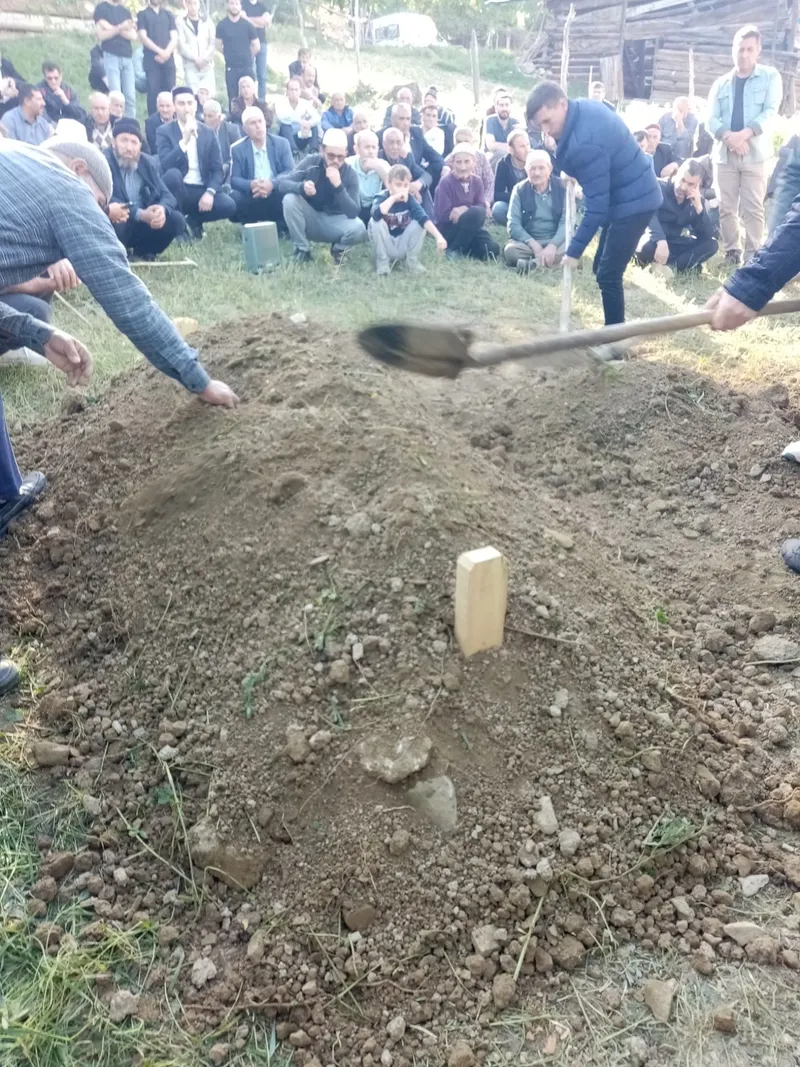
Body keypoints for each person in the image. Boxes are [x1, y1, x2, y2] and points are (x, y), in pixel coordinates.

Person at [0, 142, 238, 536]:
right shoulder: (67, 188)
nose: (98, 214)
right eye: (100, 203)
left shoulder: (17, 159)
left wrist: (38, 334)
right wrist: (198, 379)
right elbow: (127, 299)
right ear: (80, 169)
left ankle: (6, 491)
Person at [526, 81, 662, 329]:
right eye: (539, 125)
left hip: (635, 202)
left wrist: (573, 251)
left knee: (609, 274)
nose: (545, 131)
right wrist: (569, 170)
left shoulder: (585, 143)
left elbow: (597, 208)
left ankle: (614, 340)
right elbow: (595, 161)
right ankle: (612, 330)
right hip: (622, 193)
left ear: (562, 104)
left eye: (547, 121)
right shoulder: (582, 108)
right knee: (600, 267)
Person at [707, 24, 782, 264]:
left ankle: (753, 255)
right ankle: (732, 252)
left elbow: (770, 111)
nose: (744, 54)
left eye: (750, 49)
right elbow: (710, 118)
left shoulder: (770, 77)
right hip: (725, 154)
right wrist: (729, 137)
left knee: (753, 207)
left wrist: (745, 134)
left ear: (758, 50)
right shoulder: (720, 83)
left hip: (755, 154)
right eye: (740, 49)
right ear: (733, 50)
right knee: (726, 206)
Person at [157, 85, 237, 239]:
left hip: (201, 188)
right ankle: (179, 228)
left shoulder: (208, 133)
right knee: (173, 175)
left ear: (195, 105)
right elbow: (166, 164)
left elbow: (217, 169)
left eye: (189, 103)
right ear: (174, 107)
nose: (186, 108)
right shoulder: (164, 131)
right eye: (181, 104)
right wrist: (184, 141)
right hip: (178, 188)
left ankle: (193, 220)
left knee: (229, 205)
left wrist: (210, 192)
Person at [278, 127, 367, 263]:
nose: (335, 160)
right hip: (311, 218)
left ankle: (338, 249)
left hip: (337, 222)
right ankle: (302, 249)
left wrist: (339, 187)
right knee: (290, 199)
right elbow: (283, 184)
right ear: (322, 151)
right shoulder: (311, 162)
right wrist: (302, 187)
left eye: (340, 157)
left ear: (346, 154)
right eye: (331, 155)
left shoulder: (350, 174)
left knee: (359, 228)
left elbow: (354, 211)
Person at [105, 117, 186, 258]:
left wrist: (161, 209)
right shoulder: (104, 162)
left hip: (140, 223)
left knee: (176, 220)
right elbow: (108, 199)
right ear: (113, 142)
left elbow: (167, 195)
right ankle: (117, 252)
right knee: (118, 218)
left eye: (134, 142)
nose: (129, 148)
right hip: (116, 222)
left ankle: (144, 251)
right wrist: (141, 214)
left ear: (140, 146)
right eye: (124, 140)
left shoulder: (146, 162)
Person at [635, 158, 718, 276]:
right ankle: (684, 266)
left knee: (712, 244)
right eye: (682, 180)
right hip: (652, 239)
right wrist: (660, 240)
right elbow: (649, 217)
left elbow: (706, 236)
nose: (683, 187)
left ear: (698, 184)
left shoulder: (695, 200)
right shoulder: (657, 186)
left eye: (691, 184)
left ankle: (670, 267)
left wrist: (699, 209)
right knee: (646, 247)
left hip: (674, 242)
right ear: (677, 173)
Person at [369, 163, 447, 275]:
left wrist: (438, 237)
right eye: (398, 185)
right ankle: (383, 263)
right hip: (385, 244)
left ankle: (411, 262)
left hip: (402, 244)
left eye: (405, 186)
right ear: (389, 184)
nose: (402, 189)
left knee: (419, 224)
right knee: (375, 223)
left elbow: (424, 218)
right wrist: (393, 198)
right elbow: (376, 215)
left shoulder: (409, 199)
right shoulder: (381, 197)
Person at [503, 149, 566, 272]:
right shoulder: (519, 190)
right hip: (529, 243)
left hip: (556, 241)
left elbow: (566, 222)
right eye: (532, 168)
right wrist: (534, 245)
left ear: (550, 168)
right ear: (526, 170)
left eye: (541, 168)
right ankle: (552, 262)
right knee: (510, 251)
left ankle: (532, 265)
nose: (536, 173)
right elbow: (513, 224)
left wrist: (552, 245)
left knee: (572, 248)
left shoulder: (563, 187)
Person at [433, 144, 499, 261]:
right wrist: (469, 212)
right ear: (453, 163)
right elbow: (443, 215)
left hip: (473, 227)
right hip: (451, 228)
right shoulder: (445, 183)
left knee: (492, 249)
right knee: (476, 212)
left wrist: (465, 209)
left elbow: (481, 206)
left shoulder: (477, 181)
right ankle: (455, 249)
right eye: (458, 162)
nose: (463, 167)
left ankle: (463, 247)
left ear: (474, 163)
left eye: (467, 162)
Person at [230, 105, 292, 224]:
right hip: (253, 193)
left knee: (289, 194)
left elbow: (290, 172)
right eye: (253, 123)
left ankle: (281, 226)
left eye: (260, 121)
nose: (258, 126)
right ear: (245, 129)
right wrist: (251, 184)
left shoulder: (281, 143)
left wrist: (272, 184)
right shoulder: (237, 149)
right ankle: (250, 225)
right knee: (234, 198)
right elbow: (235, 179)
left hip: (275, 191)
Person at [93, 0, 137, 117]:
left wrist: (113, 28)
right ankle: (115, 123)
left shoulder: (125, 11)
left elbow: (133, 35)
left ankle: (131, 124)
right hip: (111, 55)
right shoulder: (101, 8)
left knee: (130, 97)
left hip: (127, 57)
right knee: (115, 96)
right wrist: (122, 27)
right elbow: (101, 35)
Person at [385, 102, 443, 188]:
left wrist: (422, 178)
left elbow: (436, 158)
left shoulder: (416, 133)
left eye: (408, 119)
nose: (405, 123)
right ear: (392, 120)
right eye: (401, 119)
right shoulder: (383, 136)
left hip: (416, 180)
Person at [381, 127, 434, 216]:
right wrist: (407, 188)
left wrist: (417, 184)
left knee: (423, 188)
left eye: (398, 143)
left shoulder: (407, 158)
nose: (395, 147)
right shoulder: (379, 157)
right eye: (391, 142)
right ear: (384, 144)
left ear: (403, 144)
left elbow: (427, 176)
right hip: (387, 199)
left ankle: (431, 220)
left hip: (406, 197)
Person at [137, 0, 177, 117]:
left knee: (171, 92)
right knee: (153, 94)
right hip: (152, 60)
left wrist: (167, 53)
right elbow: (143, 37)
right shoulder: (143, 14)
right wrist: (160, 52)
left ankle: (172, 120)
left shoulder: (168, 15)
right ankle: (153, 123)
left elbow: (174, 37)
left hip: (169, 60)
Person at [216, 0, 259, 108]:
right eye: (232, 3)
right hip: (231, 68)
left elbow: (256, 46)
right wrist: (229, 54)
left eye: (237, 4)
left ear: (240, 6)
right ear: (227, 5)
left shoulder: (248, 25)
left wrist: (247, 56)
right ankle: (235, 118)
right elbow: (218, 45)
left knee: (250, 98)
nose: (234, 6)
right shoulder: (221, 25)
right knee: (233, 99)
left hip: (247, 67)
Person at [347, 128, 389, 226]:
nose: (371, 151)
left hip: (375, 207)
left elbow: (393, 188)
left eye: (374, 147)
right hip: (355, 207)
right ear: (357, 149)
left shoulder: (383, 164)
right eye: (367, 147)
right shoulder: (348, 164)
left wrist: (378, 168)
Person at [444, 126, 494, 207]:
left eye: (466, 141)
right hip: (458, 205)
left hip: (481, 201)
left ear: (472, 142)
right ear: (454, 142)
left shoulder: (481, 157)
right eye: (459, 142)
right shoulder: (448, 161)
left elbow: (490, 182)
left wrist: (486, 202)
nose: (462, 144)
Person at [177, 0, 217, 95]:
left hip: (207, 66)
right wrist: (195, 58)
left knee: (208, 94)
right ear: (185, 4)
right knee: (193, 95)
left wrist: (204, 58)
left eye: (195, 3)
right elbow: (182, 44)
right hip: (190, 66)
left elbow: (212, 42)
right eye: (189, 3)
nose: (192, 7)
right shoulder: (180, 22)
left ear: (199, 4)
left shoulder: (207, 21)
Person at [492, 128, 530, 225]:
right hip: (513, 203)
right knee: (498, 208)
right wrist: (517, 196)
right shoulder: (503, 164)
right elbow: (498, 194)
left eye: (528, 145)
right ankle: (517, 224)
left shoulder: (534, 162)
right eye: (522, 146)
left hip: (533, 204)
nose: (527, 150)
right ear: (511, 150)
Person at [276, 77, 321, 157]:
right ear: (287, 91)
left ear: (300, 91)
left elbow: (317, 118)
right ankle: (294, 150)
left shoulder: (305, 103)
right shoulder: (281, 103)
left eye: (296, 90)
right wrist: (300, 122)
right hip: (286, 136)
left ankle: (314, 150)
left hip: (301, 134)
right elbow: (281, 117)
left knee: (314, 126)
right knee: (285, 125)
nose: (294, 92)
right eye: (291, 90)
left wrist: (309, 124)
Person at [240, 0, 273, 100]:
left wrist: (249, 19)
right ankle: (250, 98)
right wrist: (259, 21)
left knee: (262, 74)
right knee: (250, 72)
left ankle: (262, 100)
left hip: (262, 42)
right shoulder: (242, 4)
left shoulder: (263, 6)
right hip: (248, 43)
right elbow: (242, 20)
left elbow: (266, 22)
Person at [203, 98, 240, 181]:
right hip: (207, 173)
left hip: (227, 173)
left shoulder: (232, 130)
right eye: (204, 116)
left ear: (219, 117)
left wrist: (226, 165)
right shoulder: (199, 130)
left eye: (210, 116)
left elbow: (238, 156)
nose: (206, 120)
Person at [658, 96, 697, 162]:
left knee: (681, 144)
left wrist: (679, 121)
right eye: (678, 109)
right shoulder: (665, 117)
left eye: (683, 110)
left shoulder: (692, 119)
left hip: (680, 153)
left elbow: (686, 138)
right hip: (665, 148)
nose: (680, 112)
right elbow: (658, 133)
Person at [423, 86, 455, 155]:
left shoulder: (446, 114)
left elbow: (451, 130)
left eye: (431, 101)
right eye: (426, 101)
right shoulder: (420, 111)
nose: (428, 103)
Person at [144, 89, 175, 154]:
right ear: (157, 107)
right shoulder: (150, 123)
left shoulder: (179, 119)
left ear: (174, 107)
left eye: (168, 106)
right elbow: (155, 148)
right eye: (161, 106)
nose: (165, 110)